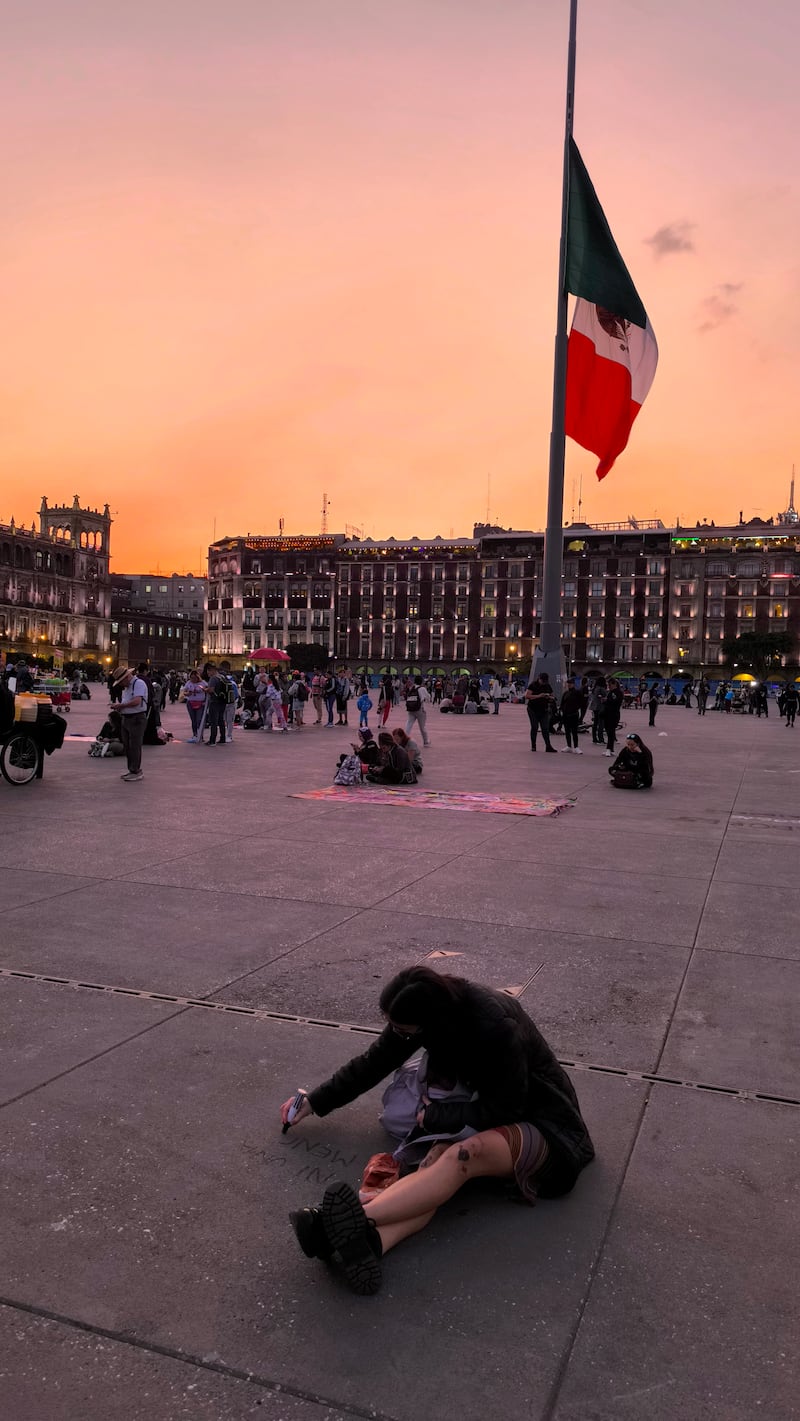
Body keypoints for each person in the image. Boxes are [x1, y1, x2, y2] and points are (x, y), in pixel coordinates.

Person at [282, 965, 594, 1295]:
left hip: (545, 1126)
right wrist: (314, 1102)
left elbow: (507, 1108)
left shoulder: (496, 1026)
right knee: (433, 1166)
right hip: (485, 1115)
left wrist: (438, 1118)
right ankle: (371, 1244)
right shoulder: (429, 1014)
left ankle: (340, 1223)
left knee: (463, 1155)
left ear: (430, 1023)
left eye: (400, 1029)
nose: (395, 1034)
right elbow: (373, 1062)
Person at [113, 666, 149, 782]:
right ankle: (131, 769)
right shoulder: (128, 687)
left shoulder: (138, 684)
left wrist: (121, 706)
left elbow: (137, 701)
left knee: (135, 745)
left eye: (122, 681)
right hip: (127, 717)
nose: (121, 684)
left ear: (127, 677)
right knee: (128, 745)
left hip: (136, 718)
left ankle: (136, 770)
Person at [525, 675, 557, 752]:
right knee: (534, 727)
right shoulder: (533, 685)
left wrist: (549, 697)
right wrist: (539, 696)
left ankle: (548, 746)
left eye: (545, 681)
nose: (543, 683)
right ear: (539, 679)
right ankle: (533, 746)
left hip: (544, 710)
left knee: (545, 728)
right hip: (533, 709)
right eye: (542, 681)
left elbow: (553, 696)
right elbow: (527, 696)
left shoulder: (547, 686)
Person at [204, 664, 229, 745]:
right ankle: (222, 738)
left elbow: (211, 690)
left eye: (208, 671)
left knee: (213, 721)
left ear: (212, 670)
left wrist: (205, 689)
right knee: (221, 720)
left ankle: (212, 740)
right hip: (223, 701)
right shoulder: (222, 677)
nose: (208, 673)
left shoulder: (213, 678)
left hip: (215, 701)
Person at [559, 676, 583, 754]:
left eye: (570, 683)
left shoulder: (577, 692)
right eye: (568, 683)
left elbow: (582, 702)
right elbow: (562, 703)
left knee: (574, 731)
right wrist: (562, 710)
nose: (569, 685)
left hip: (574, 714)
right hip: (566, 715)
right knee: (567, 731)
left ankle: (576, 747)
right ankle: (569, 746)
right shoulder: (565, 693)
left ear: (573, 684)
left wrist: (576, 708)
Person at [405, 676, 431, 747]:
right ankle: (425, 741)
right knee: (422, 727)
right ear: (422, 681)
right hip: (420, 709)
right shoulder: (422, 689)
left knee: (408, 725)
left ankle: (404, 740)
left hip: (411, 709)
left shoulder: (411, 688)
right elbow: (428, 698)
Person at [182, 669, 207, 742]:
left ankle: (200, 735)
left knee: (199, 719)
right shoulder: (188, 683)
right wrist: (187, 693)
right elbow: (184, 691)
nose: (193, 679)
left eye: (194, 678)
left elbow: (207, 690)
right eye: (191, 678)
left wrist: (204, 690)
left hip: (200, 703)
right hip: (191, 703)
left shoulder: (203, 683)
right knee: (193, 720)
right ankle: (195, 734)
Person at [601, 677, 623, 756]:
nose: (608, 686)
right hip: (608, 714)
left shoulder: (618, 693)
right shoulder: (611, 692)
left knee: (610, 732)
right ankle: (611, 749)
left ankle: (608, 749)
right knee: (610, 732)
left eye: (609, 684)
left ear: (614, 684)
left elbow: (616, 702)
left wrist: (607, 700)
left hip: (613, 714)